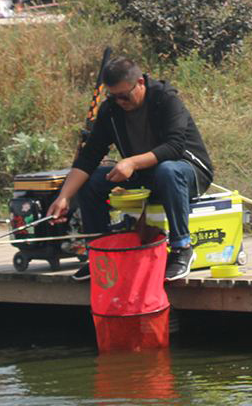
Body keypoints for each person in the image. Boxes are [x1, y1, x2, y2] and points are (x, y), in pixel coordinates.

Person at [47, 56, 215, 282]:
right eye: (113, 96)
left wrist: (132, 162)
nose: (119, 102)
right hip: (146, 175)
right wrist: (64, 197)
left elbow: (174, 147)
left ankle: (181, 248)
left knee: (167, 170)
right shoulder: (111, 111)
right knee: (91, 181)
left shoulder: (165, 99)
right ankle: (101, 253)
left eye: (124, 96)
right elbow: (89, 157)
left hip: (188, 172)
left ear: (140, 82)